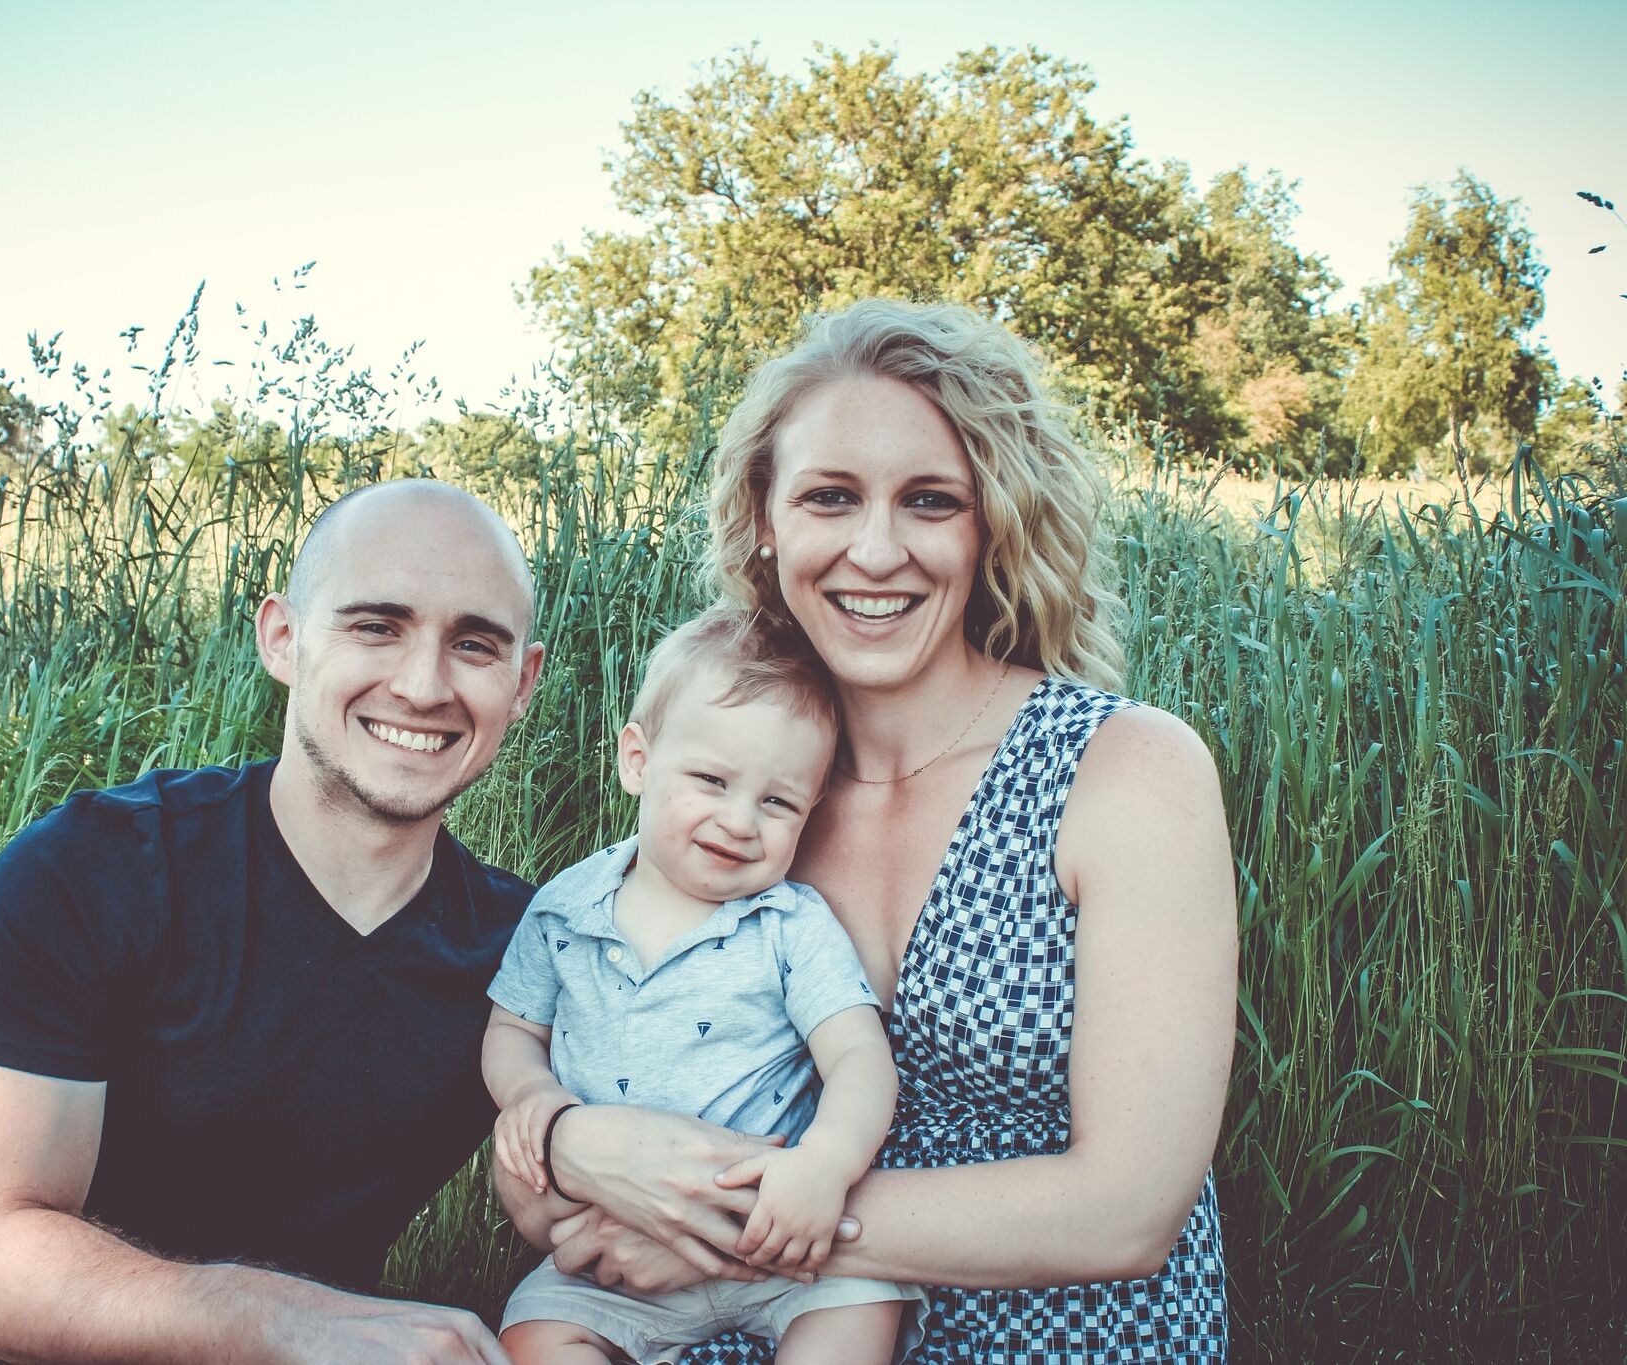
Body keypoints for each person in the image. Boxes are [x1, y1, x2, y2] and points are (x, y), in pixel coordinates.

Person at [493, 300, 1238, 1363]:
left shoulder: (1124, 771)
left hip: (1059, 1334)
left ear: (992, 524)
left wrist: (723, 1233)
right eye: (829, 497)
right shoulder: (742, 794)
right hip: (744, 1331)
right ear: (766, 518)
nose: (875, 550)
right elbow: (582, 1048)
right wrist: (563, 1152)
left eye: (929, 501)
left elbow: (1126, 1210)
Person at [0, 479, 544, 1365]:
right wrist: (285, 1320)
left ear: (523, 682)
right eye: (375, 626)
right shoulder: (96, 869)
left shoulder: (530, 954)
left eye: (475, 644)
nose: (424, 683)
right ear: (281, 637)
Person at [482, 607, 922, 1364]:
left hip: (777, 1238)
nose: (739, 820)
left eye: (777, 801)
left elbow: (859, 1056)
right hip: (613, 1247)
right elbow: (514, 1027)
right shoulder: (565, 908)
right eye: (711, 780)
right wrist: (532, 1098)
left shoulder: (791, 924)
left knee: (863, 1301)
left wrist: (825, 1164)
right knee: (532, 1333)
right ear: (637, 761)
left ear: (811, 810)